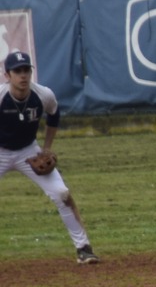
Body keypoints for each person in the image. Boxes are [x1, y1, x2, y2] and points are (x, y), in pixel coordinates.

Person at [0, 50, 97, 263]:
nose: (23, 75)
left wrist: (46, 148)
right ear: (7, 75)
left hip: (28, 151)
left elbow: (54, 114)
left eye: (26, 70)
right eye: (17, 71)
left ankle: (84, 248)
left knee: (61, 193)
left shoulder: (43, 95)